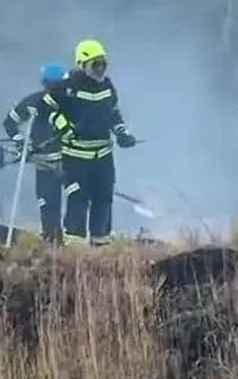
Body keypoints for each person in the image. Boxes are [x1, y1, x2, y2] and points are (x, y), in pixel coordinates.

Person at [42, 38, 138, 246]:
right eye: (96, 64)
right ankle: (75, 247)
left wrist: (122, 133)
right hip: (76, 157)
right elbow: (47, 109)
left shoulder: (107, 86)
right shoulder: (68, 86)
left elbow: (114, 113)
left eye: (103, 64)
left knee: (104, 197)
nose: (100, 69)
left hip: (103, 155)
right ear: (82, 64)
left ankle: (100, 244)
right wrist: (64, 127)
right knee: (78, 198)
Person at [2, 62, 68, 244]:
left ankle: (73, 241)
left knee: (77, 201)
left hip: (68, 164)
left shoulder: (71, 104)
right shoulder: (33, 104)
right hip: (43, 165)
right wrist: (19, 140)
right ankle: (52, 240)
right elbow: (10, 123)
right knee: (47, 202)